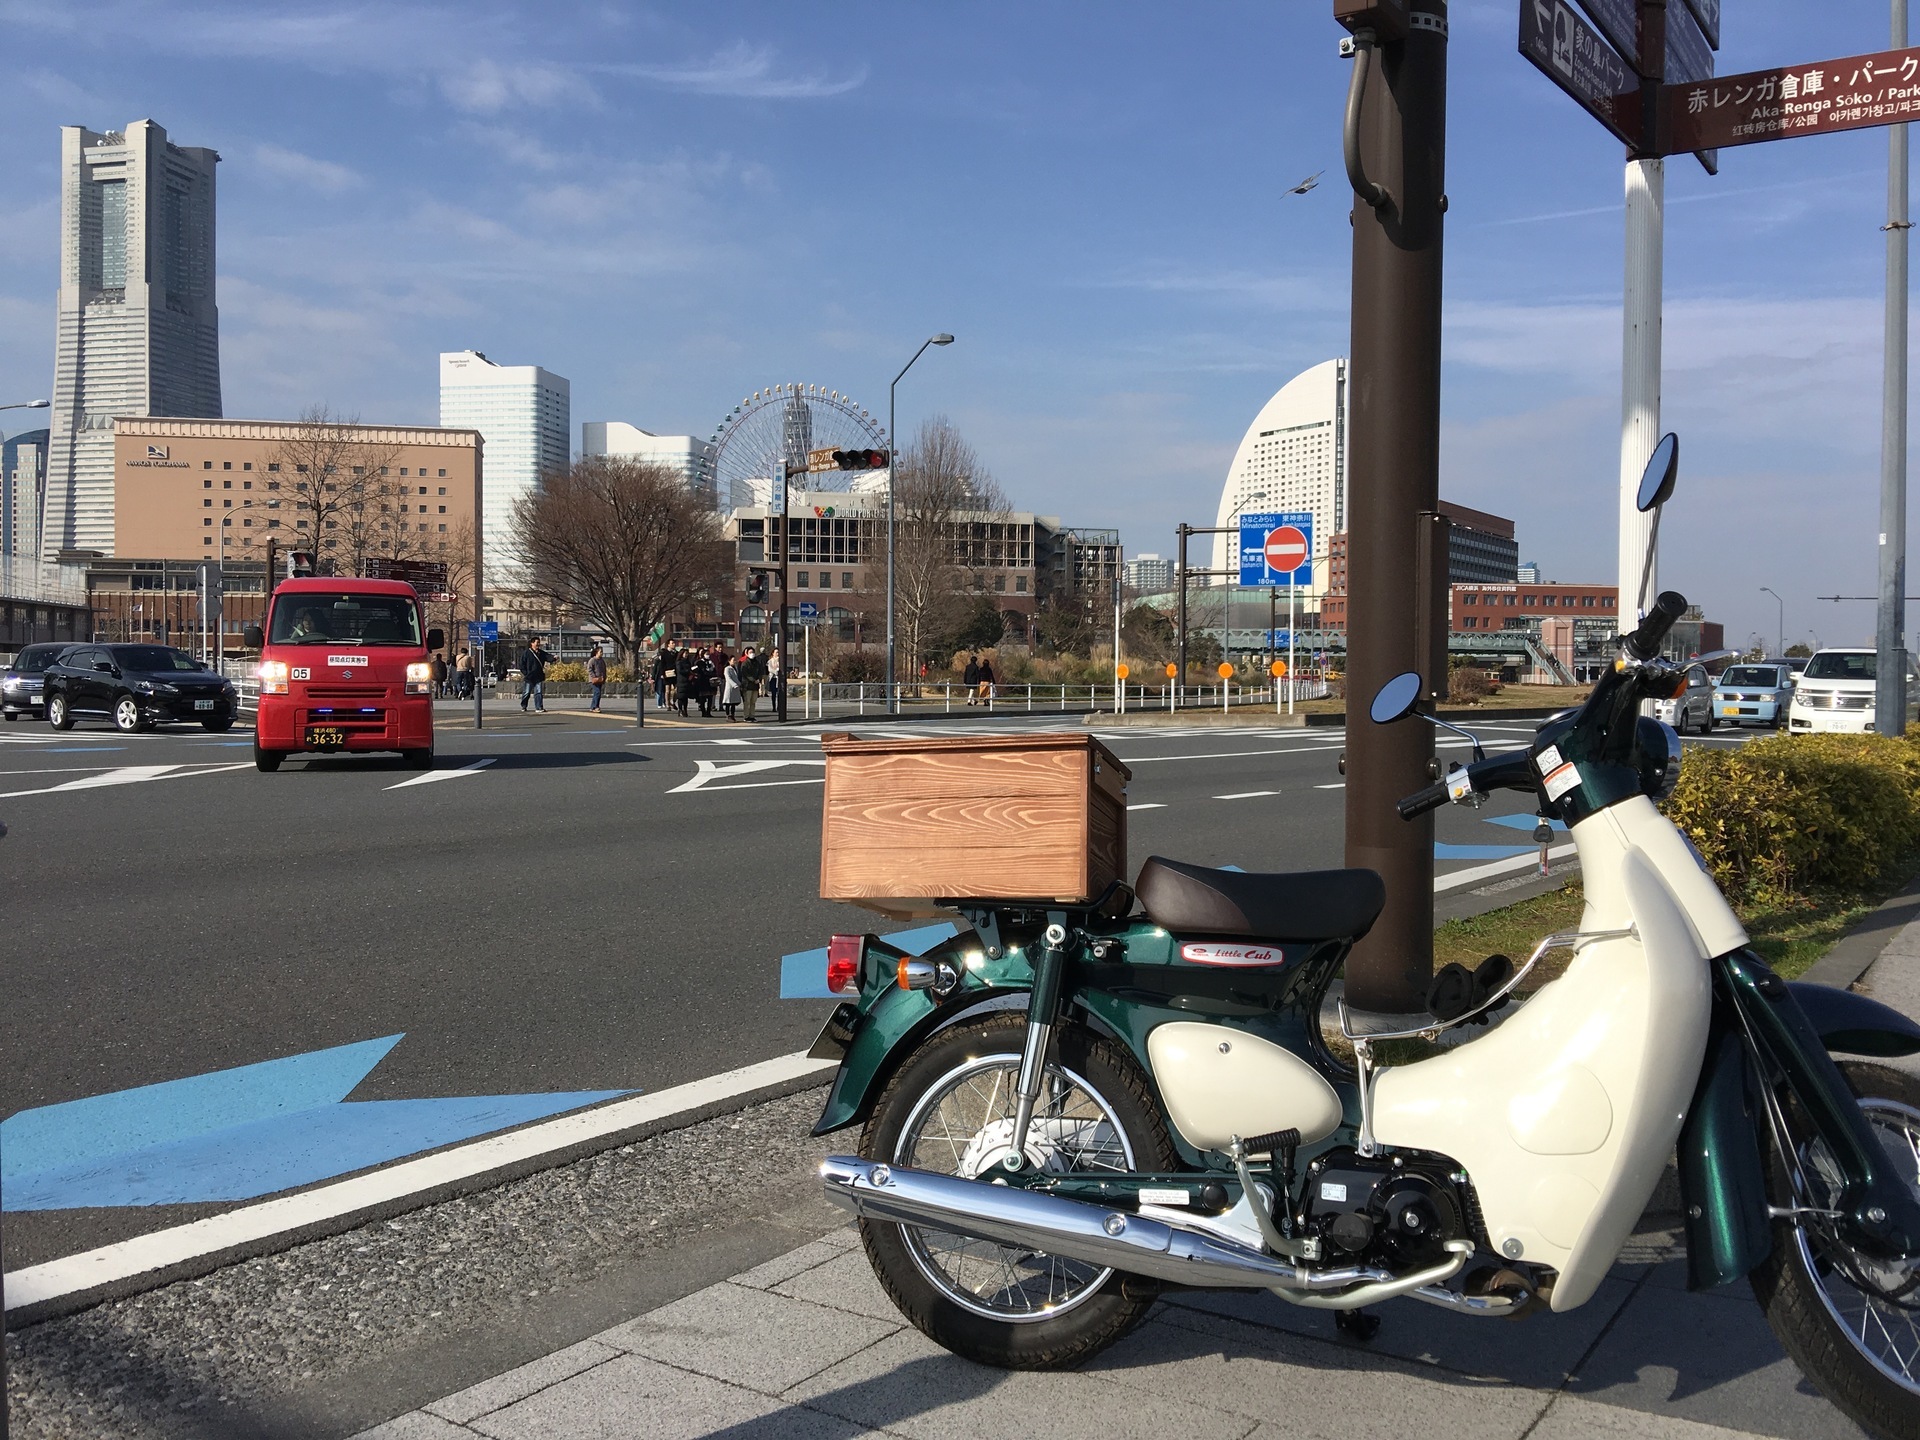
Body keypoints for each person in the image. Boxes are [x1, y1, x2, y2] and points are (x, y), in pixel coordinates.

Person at [518, 636, 551, 712]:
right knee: (526, 692)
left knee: (538, 692)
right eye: (537, 642)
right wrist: (526, 673)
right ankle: (524, 705)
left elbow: (547, 656)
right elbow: (522, 665)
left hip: (538, 676)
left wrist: (554, 658)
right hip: (529, 676)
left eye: (539, 642)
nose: (538, 644)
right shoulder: (526, 653)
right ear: (532, 643)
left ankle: (539, 707)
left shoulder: (541, 653)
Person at [741, 647, 767, 722]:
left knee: (753, 702)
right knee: (747, 702)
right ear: (747, 653)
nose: (752, 654)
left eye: (753, 652)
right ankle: (746, 716)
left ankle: (752, 715)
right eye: (750, 652)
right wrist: (753, 680)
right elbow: (745, 674)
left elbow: (761, 672)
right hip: (747, 685)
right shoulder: (745, 663)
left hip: (755, 686)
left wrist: (758, 679)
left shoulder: (757, 663)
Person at [586, 644, 607, 712]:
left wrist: (604, 677)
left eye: (602, 652)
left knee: (597, 693)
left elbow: (604, 669)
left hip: (600, 679)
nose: (602, 653)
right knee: (597, 692)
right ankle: (596, 707)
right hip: (593, 680)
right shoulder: (592, 660)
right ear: (596, 652)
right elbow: (589, 669)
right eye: (600, 652)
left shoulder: (602, 660)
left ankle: (592, 707)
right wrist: (594, 676)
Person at [722, 654, 743, 720]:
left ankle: (732, 715)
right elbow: (728, 678)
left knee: (733, 703)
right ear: (729, 661)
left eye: (735, 660)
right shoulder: (727, 669)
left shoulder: (735, 668)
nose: (734, 661)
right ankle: (728, 715)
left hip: (736, 687)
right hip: (730, 687)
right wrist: (734, 685)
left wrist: (739, 684)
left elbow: (737, 678)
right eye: (733, 660)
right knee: (728, 702)